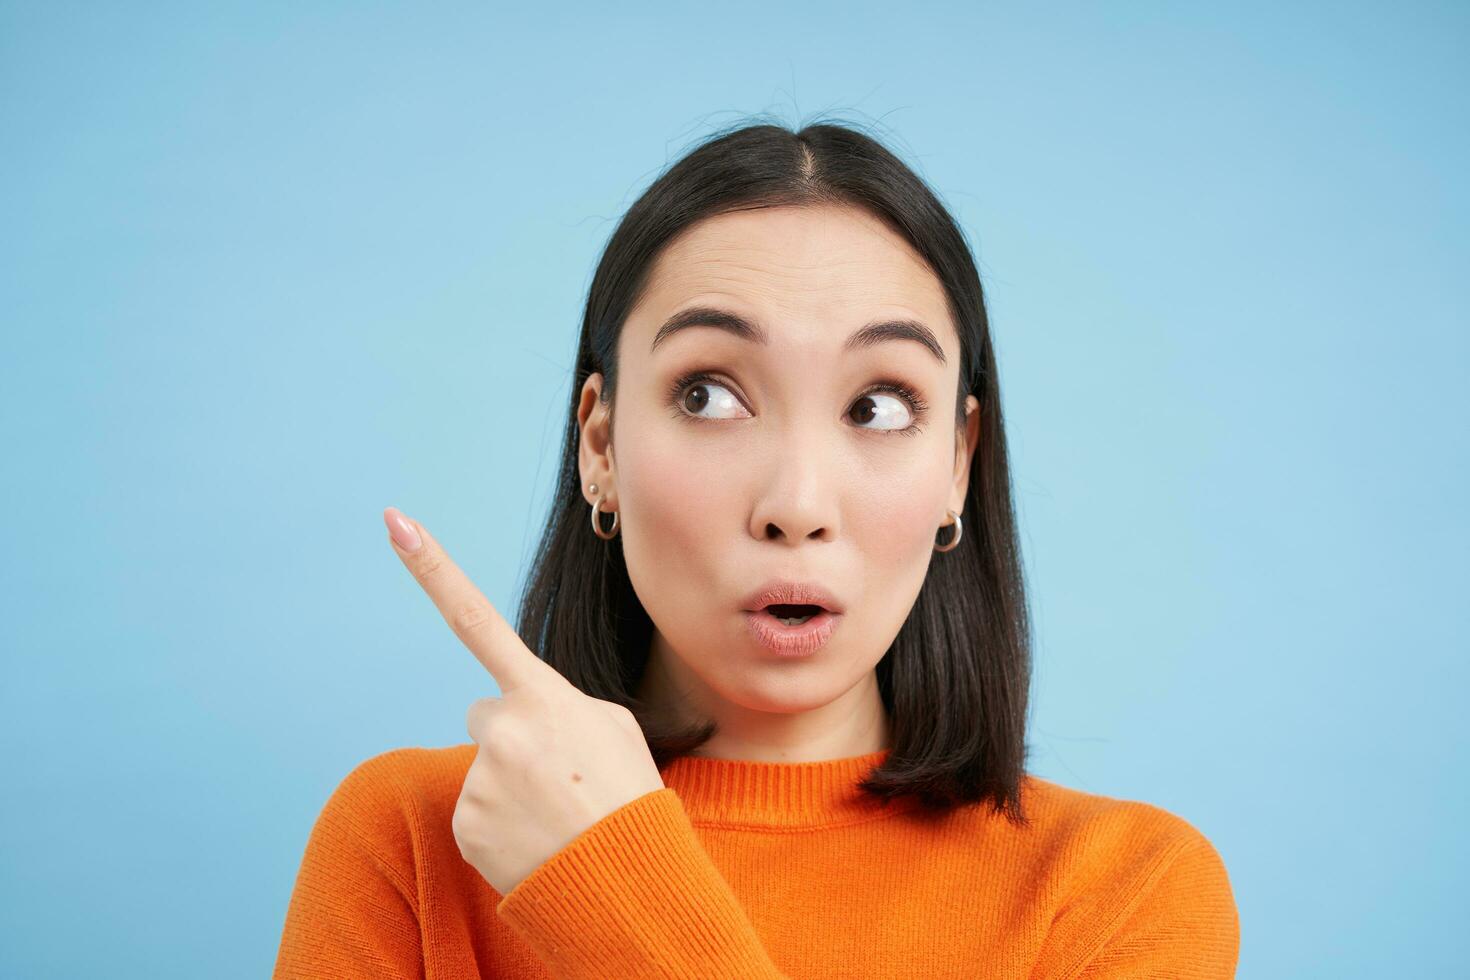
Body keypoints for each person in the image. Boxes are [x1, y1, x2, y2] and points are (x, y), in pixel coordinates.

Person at [273, 118, 1240, 978]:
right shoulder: (413, 839)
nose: (797, 504)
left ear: (958, 462)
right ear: (601, 444)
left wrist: (621, 899)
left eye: (878, 406)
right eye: (708, 395)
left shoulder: (1125, 897)